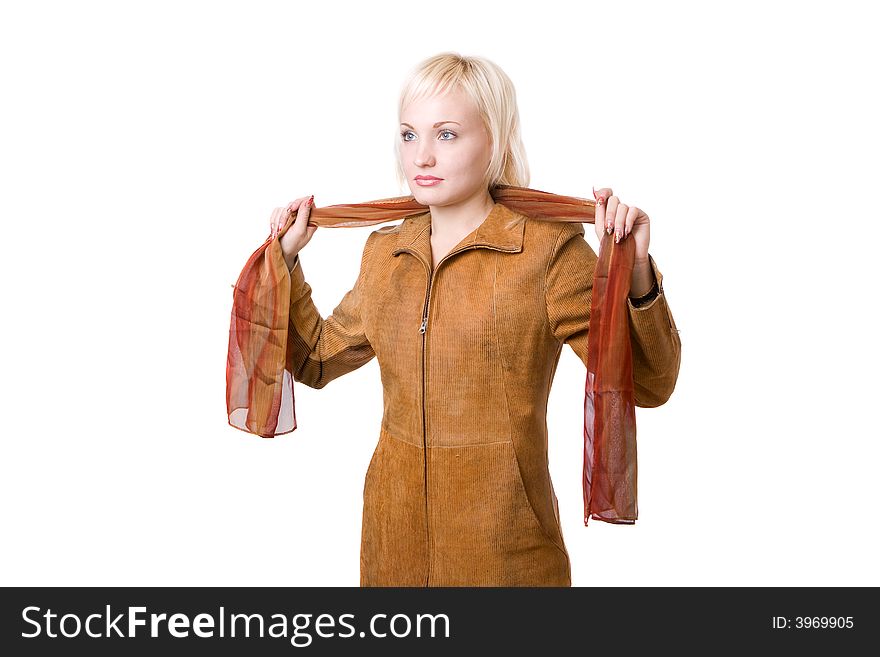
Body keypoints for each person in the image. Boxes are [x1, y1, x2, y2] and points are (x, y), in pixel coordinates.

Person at [265, 52, 681, 586]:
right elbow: (315, 360)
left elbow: (647, 383)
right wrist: (286, 262)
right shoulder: (386, 253)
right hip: (394, 550)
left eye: (447, 134)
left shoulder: (549, 254)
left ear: (496, 142)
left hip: (505, 555)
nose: (423, 157)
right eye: (410, 135)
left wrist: (638, 269)